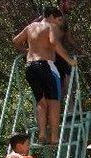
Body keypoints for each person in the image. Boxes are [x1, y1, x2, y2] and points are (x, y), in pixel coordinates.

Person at [12, 6, 77, 144]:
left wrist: (26, 51)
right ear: (51, 17)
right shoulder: (50, 26)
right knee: (54, 103)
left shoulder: (30, 27)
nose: (59, 22)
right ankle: (54, 137)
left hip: (30, 67)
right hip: (47, 66)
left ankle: (42, 134)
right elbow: (54, 43)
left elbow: (16, 41)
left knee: (41, 103)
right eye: (58, 19)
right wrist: (69, 60)